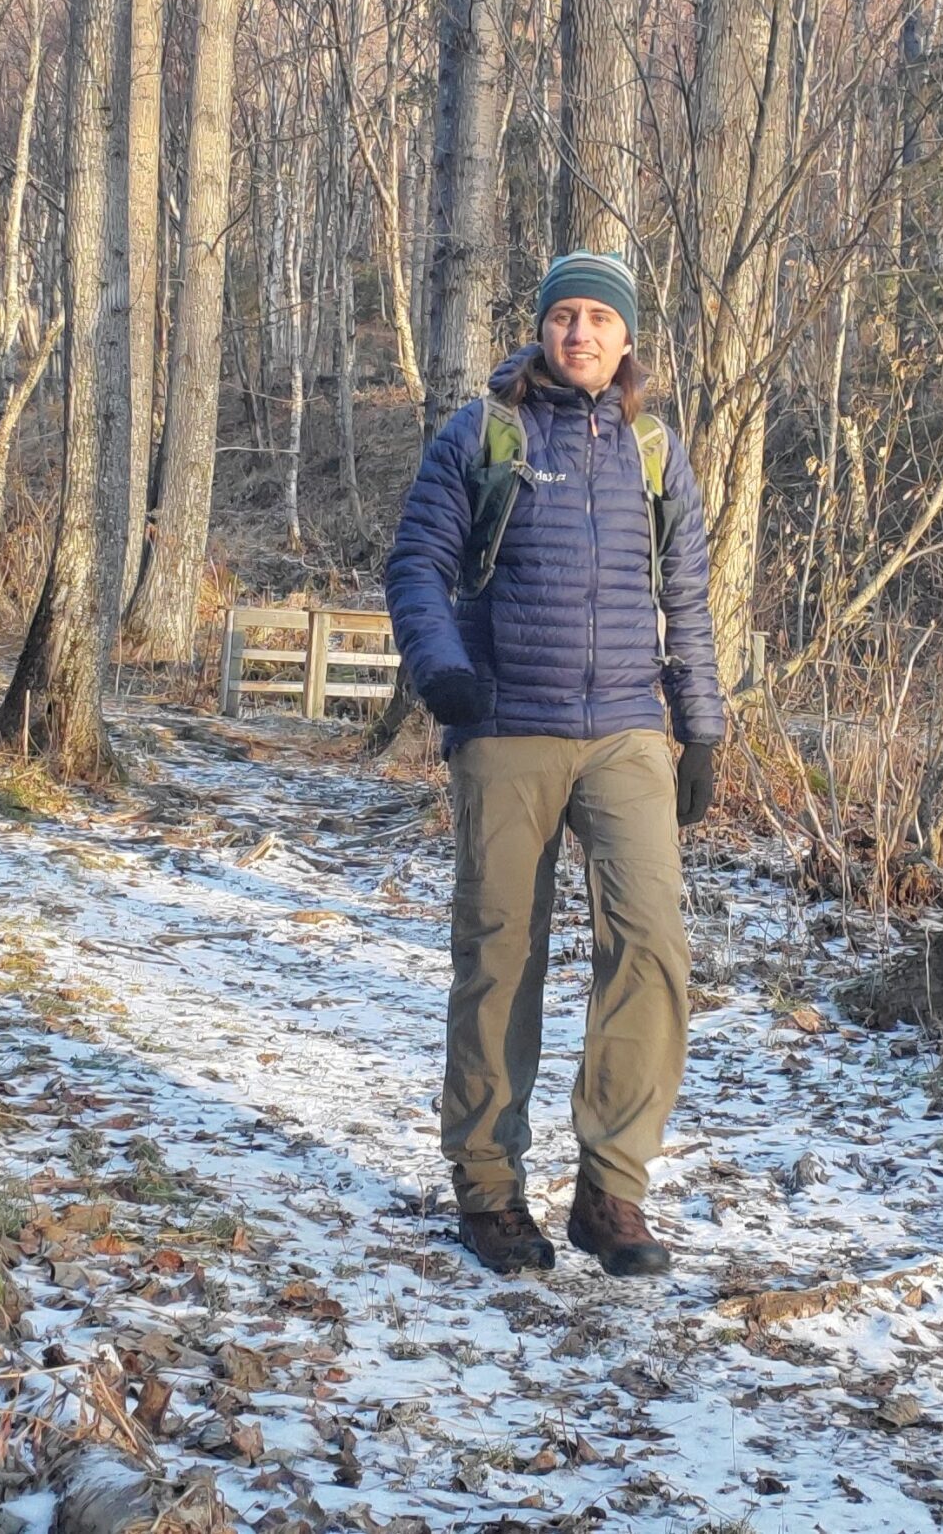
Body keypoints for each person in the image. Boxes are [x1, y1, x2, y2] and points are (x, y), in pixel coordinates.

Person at [384, 250, 727, 1278]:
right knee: (501, 954)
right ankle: (489, 1187)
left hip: (626, 726)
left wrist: (699, 725)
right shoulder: (481, 433)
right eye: (562, 316)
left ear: (626, 341)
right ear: (540, 329)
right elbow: (416, 563)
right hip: (507, 722)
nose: (578, 332)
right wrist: (441, 671)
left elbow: (688, 599)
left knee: (652, 944)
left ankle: (611, 1188)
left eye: (597, 319)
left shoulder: (655, 450)